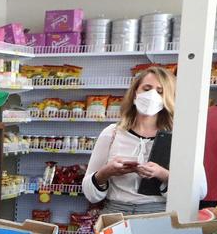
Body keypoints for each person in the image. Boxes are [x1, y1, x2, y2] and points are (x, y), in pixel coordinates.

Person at [83, 67, 206, 214]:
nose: (152, 95)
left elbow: (199, 190)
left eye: (160, 91)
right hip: (115, 213)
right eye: (146, 88)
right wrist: (106, 172)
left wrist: (163, 174)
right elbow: (90, 193)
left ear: (169, 97)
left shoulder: (180, 138)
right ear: (135, 93)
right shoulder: (112, 133)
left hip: (159, 215)